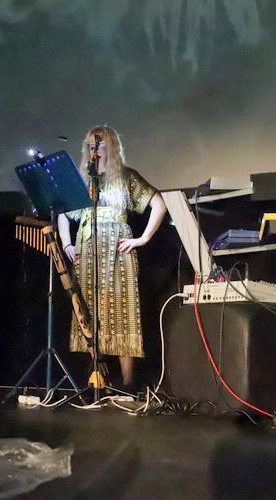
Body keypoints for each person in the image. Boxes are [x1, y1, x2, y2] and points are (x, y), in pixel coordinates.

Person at [58, 125, 167, 389]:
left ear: (112, 147)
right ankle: (98, 379)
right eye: (90, 145)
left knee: (122, 314)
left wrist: (143, 238)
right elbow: (62, 212)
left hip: (117, 254)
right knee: (88, 314)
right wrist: (67, 243)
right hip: (87, 252)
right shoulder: (83, 179)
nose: (94, 149)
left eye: (100, 144)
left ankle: (127, 384)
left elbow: (159, 203)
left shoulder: (126, 176)